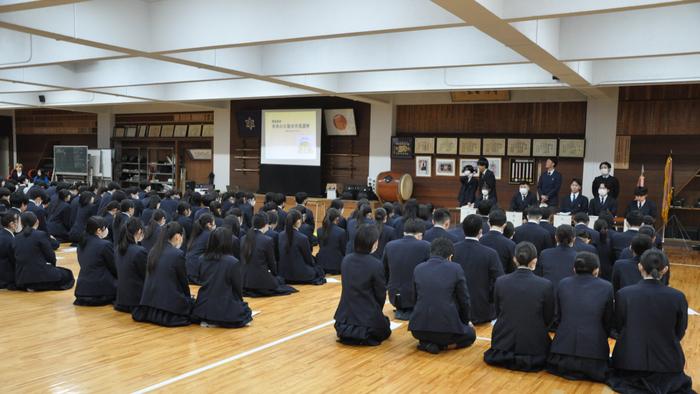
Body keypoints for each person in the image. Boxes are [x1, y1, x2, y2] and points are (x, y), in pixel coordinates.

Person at [607, 250, 692, 393]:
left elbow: (619, 327)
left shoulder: (624, 294)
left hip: (629, 362)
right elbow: (680, 330)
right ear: (665, 269)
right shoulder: (678, 297)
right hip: (668, 364)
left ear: (640, 267)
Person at [484, 241, 555, 372]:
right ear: (534, 261)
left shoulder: (501, 281)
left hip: (503, 343)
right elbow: (548, 316)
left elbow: (499, 311)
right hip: (534, 344)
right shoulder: (545, 285)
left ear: (514, 260)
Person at [547, 252, 614, 382]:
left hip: (561, 354)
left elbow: (558, 316)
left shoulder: (563, 283)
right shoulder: (606, 287)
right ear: (596, 270)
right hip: (594, 356)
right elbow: (608, 320)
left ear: (574, 269)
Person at [409, 238, 476, 354]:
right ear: (450, 256)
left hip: (417, 330)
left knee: (430, 334)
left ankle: (427, 343)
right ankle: (443, 347)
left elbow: (414, 298)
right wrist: (465, 322)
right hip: (445, 332)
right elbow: (464, 300)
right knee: (471, 334)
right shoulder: (455, 268)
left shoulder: (418, 268)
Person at [334, 224, 391, 346]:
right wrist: (376, 312)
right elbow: (380, 294)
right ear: (374, 243)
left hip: (344, 319)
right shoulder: (375, 264)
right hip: (367, 319)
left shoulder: (346, 260)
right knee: (385, 327)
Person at [132, 222, 193, 327]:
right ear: (178, 236)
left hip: (149, 302)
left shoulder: (153, 251)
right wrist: (188, 299)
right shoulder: (177, 254)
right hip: (168, 304)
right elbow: (183, 281)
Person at [192, 227, 253, 328]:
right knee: (245, 310)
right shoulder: (233, 262)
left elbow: (200, 279)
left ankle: (209, 319)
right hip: (223, 304)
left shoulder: (201, 259)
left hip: (204, 305)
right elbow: (237, 288)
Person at [453, 214, 504, 324]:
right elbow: (500, 280)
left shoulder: (453, 249)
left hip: (456, 310)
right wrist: (490, 297)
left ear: (463, 229)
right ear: (480, 231)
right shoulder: (490, 253)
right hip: (482, 309)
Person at [382, 218, 430, 320]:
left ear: (404, 232)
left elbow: (384, 271)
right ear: (419, 235)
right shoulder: (426, 246)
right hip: (417, 297)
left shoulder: (390, 246)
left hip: (394, 296)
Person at [14, 211, 75, 291]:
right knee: (68, 274)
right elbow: (50, 256)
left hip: (22, 278)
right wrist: (52, 266)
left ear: (21, 224)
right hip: (39, 273)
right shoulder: (40, 234)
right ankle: (39, 286)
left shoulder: (16, 237)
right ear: (37, 222)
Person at [240, 213, 297, 297]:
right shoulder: (267, 240)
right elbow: (272, 262)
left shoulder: (243, 238)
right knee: (280, 280)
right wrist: (274, 274)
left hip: (244, 280)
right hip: (260, 279)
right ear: (265, 225)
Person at [74, 216, 116, 306]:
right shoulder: (105, 244)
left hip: (82, 290)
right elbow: (114, 267)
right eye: (105, 228)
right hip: (99, 291)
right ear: (98, 230)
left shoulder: (81, 243)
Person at [278, 209, 326, 285]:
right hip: (299, 274)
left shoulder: (280, 235)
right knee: (319, 270)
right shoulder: (302, 238)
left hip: (284, 274)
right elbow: (308, 259)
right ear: (298, 221)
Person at [114, 217, 148, 313]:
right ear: (139, 231)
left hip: (121, 299)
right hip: (137, 300)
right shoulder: (140, 251)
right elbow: (146, 275)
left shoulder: (118, 249)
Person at [535, 224, 577, 289]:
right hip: (568, 292)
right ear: (574, 239)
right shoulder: (577, 256)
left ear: (556, 237)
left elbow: (539, 275)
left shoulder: (545, 254)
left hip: (548, 291)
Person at [480, 209, 516, 274]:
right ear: (504, 225)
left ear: (488, 223)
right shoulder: (510, 244)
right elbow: (512, 269)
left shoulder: (480, 240)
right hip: (502, 281)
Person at [185, 214, 216, 284]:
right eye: (214, 223)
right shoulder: (209, 234)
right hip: (196, 271)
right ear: (209, 224)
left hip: (188, 269)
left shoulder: (196, 233)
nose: (215, 226)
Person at [316, 208, 347, 275]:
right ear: (337, 218)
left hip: (322, 264)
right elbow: (344, 250)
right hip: (336, 266)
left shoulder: (319, 230)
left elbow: (321, 246)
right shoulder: (341, 231)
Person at [0, 211, 18, 289]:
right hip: (7, 278)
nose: (18, 224)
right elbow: (15, 260)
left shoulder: (3, 234)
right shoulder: (10, 240)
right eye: (17, 222)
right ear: (11, 224)